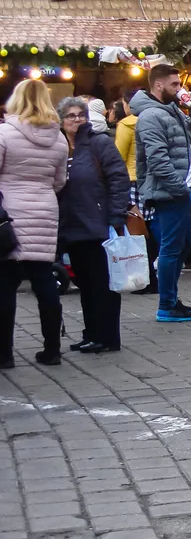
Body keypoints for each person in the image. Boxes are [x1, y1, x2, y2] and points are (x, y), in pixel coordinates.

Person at [130, 64, 191, 323]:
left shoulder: (171, 109)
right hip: (172, 192)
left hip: (183, 188)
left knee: (185, 244)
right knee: (172, 249)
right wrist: (179, 188)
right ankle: (167, 303)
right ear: (158, 85)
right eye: (174, 84)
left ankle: (171, 298)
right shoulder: (152, 115)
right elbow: (157, 159)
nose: (179, 89)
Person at [0, 79, 69, 368]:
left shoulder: (4, 133)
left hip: (9, 214)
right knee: (44, 281)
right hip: (44, 210)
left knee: (4, 286)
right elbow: (60, 181)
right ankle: (52, 348)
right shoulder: (59, 138)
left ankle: (4, 354)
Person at [56, 97, 130, 354]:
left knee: (104, 285)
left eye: (80, 114)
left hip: (98, 226)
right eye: (70, 115)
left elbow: (119, 180)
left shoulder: (99, 143)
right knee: (85, 285)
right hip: (72, 227)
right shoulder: (59, 146)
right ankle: (91, 333)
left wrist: (115, 217)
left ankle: (107, 337)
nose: (76, 119)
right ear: (61, 120)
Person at [115, 92, 158, 295]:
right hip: (148, 180)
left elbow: (118, 155)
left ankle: (142, 277)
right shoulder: (153, 118)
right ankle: (153, 277)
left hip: (130, 180)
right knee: (149, 230)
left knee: (135, 231)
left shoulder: (125, 124)